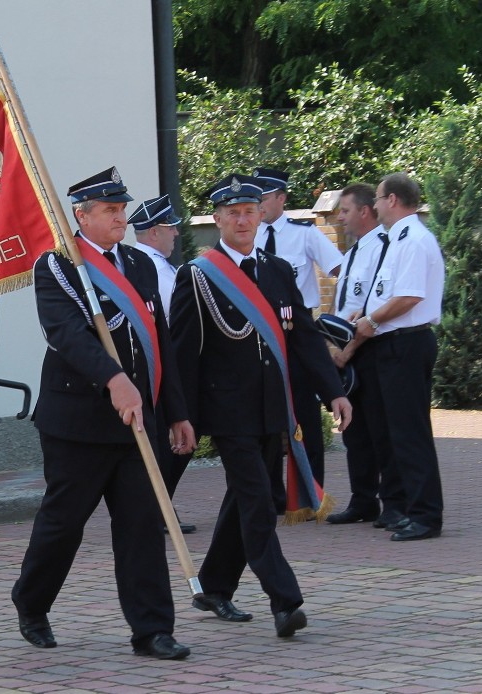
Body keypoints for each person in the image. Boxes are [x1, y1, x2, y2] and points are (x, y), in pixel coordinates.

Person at [11, 167, 196, 660]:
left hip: (139, 420)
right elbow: (65, 334)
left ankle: (152, 629)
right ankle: (32, 602)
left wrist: (175, 410)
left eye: (121, 209)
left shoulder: (137, 264)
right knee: (64, 522)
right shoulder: (56, 265)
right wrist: (114, 379)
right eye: (109, 211)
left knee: (140, 525)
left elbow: (159, 344)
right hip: (79, 424)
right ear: (82, 216)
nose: (120, 217)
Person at [169, 173, 351, 637]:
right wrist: (179, 414)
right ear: (218, 219)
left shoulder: (276, 270)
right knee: (256, 503)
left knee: (248, 499)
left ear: (261, 213)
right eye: (233, 213)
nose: (243, 219)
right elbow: (183, 353)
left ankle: (213, 585)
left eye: (250, 211)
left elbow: (304, 340)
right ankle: (284, 601)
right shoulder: (198, 275)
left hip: (275, 408)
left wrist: (334, 391)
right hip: (227, 412)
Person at [335, 173, 445, 541]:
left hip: (406, 343)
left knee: (410, 434)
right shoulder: (398, 240)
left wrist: (370, 320)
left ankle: (425, 516)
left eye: (380, 199)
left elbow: (408, 297)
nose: (377, 205)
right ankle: (408, 509)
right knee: (396, 434)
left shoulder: (412, 240)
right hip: (392, 343)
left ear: (393, 200)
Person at [254, 167, 344, 501]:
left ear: (281, 198)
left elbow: (341, 271)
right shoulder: (250, 236)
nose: (258, 205)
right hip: (258, 333)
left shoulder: (304, 234)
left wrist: (339, 317)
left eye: (263, 198)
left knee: (304, 413)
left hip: (297, 331)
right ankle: (271, 493)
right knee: (265, 417)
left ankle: (308, 491)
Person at [325, 183, 402, 526]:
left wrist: (350, 347)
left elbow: (375, 306)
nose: (339, 218)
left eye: (345, 211)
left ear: (365, 211)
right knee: (353, 428)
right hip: (344, 350)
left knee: (380, 429)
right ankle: (363, 499)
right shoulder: (354, 252)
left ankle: (394, 503)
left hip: (369, 347)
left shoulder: (381, 248)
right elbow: (341, 303)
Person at [128, 194, 195, 534]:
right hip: (162, 369)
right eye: (171, 228)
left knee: (176, 440)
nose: (176, 234)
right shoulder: (151, 267)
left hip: (161, 366)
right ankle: (158, 509)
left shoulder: (151, 263)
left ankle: (160, 508)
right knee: (177, 440)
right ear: (154, 232)